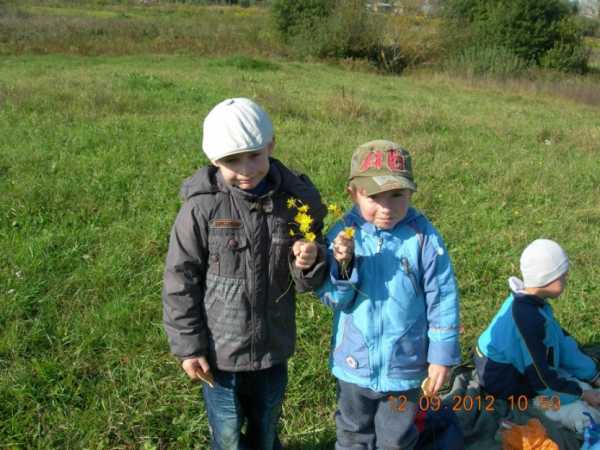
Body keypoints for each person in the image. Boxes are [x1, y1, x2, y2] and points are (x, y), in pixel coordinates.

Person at [162, 97, 328, 450]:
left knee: (266, 429)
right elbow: (180, 277)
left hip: (273, 348)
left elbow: (307, 279)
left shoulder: (295, 203)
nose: (247, 168)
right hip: (221, 355)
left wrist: (309, 260)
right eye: (231, 161)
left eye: (254, 155)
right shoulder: (201, 208)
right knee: (226, 432)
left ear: (271, 145)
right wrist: (189, 347)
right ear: (213, 160)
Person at [316, 140, 461, 450]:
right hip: (354, 362)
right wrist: (343, 265)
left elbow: (443, 296)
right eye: (373, 196)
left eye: (397, 195)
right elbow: (332, 299)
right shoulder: (342, 235)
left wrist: (441, 356)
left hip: (405, 366)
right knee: (353, 434)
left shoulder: (424, 237)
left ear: (410, 192)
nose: (386, 207)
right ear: (353, 193)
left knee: (396, 440)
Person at [475, 239, 600, 429]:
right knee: (579, 412)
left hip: (525, 369)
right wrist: (581, 395)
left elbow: (560, 341)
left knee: (584, 389)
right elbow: (540, 379)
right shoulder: (527, 319)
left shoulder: (533, 303)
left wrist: (593, 375)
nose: (566, 278)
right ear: (546, 278)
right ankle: (536, 405)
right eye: (562, 276)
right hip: (505, 380)